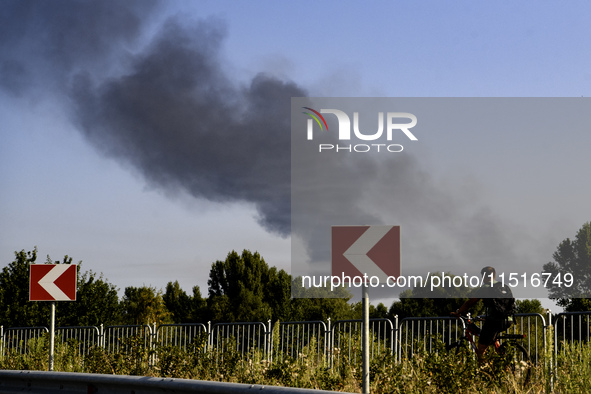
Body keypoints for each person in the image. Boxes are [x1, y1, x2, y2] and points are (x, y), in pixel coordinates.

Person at [450, 266, 514, 363]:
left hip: (495, 321)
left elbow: (470, 303)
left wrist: (458, 312)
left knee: (481, 349)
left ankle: (484, 373)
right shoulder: (503, 286)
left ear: (484, 276)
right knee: (492, 338)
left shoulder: (485, 288)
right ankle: (503, 361)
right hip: (508, 319)